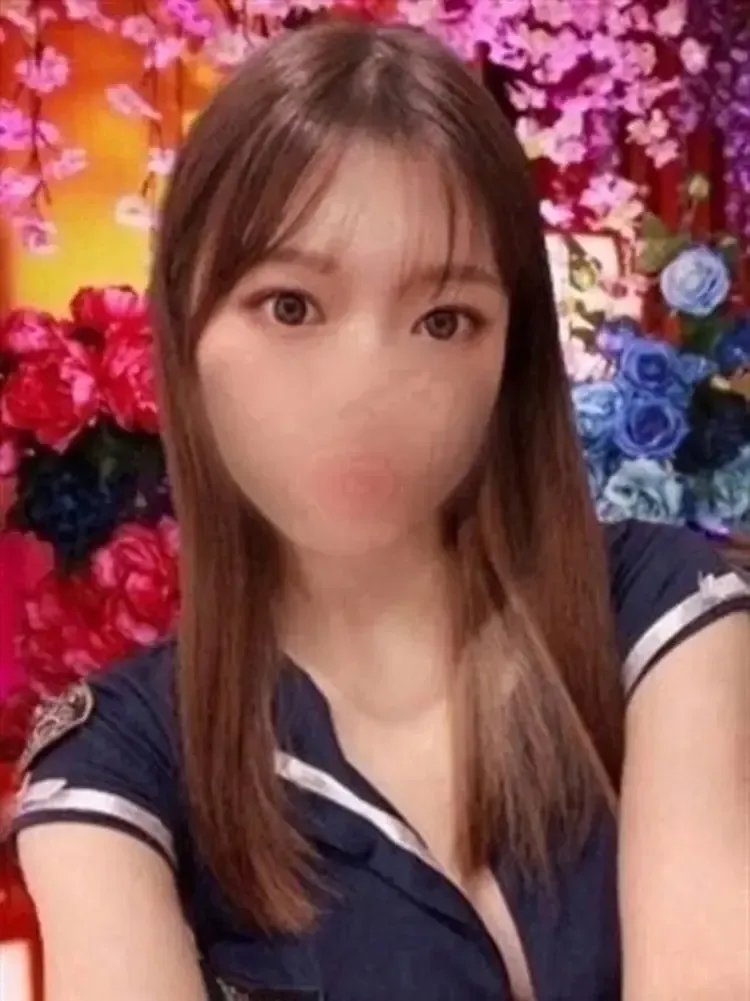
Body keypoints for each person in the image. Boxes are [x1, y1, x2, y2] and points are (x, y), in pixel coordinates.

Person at [10, 21, 750, 1001]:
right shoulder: (117, 764)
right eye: (291, 306)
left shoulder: (657, 609)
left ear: (510, 355)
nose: (366, 388)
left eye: (444, 319)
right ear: (185, 326)